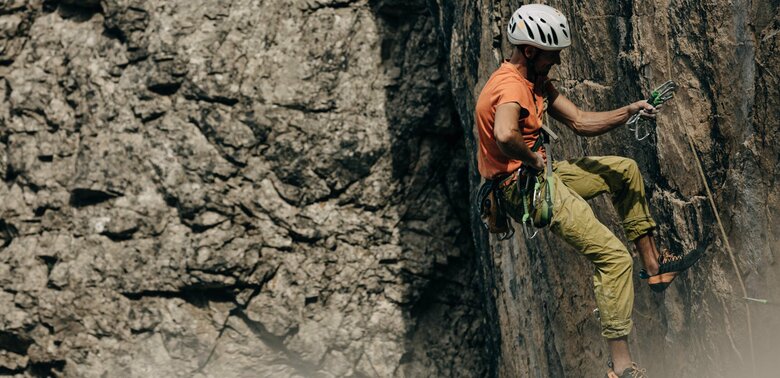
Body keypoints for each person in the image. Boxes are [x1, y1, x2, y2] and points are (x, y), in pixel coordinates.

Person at [475, 4, 703, 378]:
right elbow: (504, 133)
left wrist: (630, 109)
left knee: (624, 170)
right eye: (554, 53)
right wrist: (532, 160)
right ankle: (622, 367)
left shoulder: (534, 82)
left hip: (539, 175)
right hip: (523, 187)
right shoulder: (512, 86)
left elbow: (580, 121)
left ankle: (654, 266)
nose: (560, 60)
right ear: (530, 51)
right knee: (613, 258)